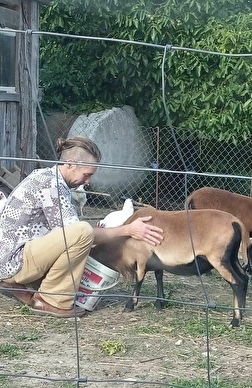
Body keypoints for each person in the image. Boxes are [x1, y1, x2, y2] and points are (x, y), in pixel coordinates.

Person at [0, 136, 164, 318]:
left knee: (80, 236)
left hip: (11, 258)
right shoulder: (52, 184)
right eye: (87, 175)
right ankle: (50, 300)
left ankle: (22, 285)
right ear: (70, 164)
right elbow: (78, 234)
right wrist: (128, 230)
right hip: (15, 261)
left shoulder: (46, 177)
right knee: (83, 231)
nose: (87, 182)